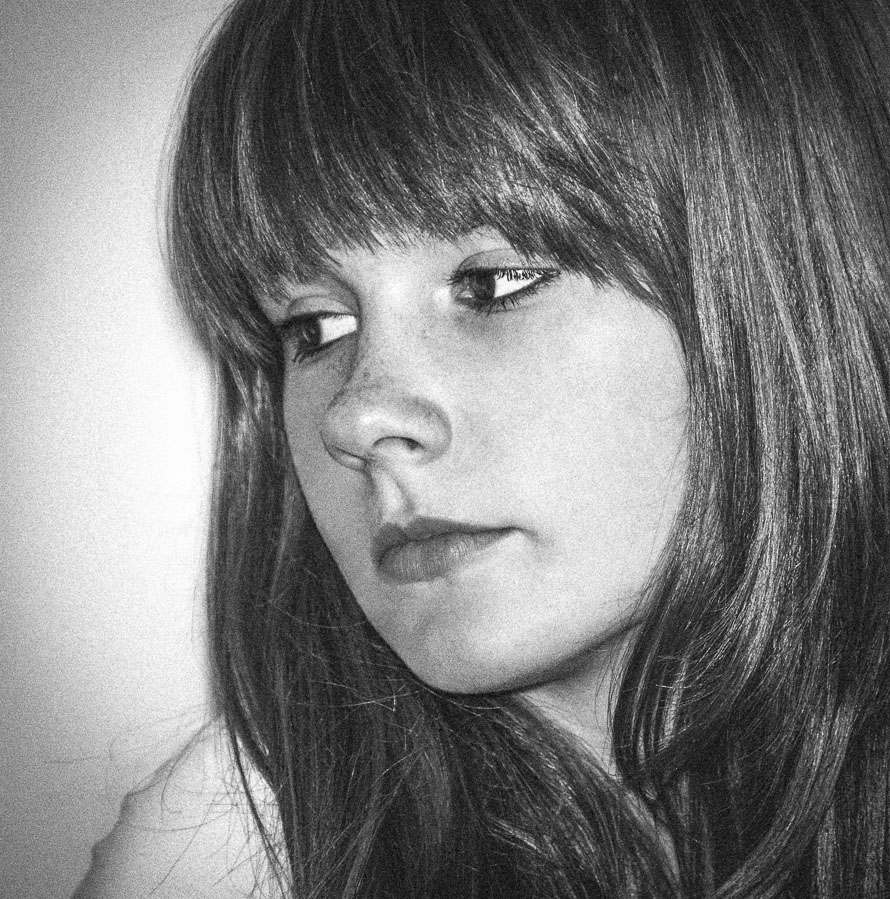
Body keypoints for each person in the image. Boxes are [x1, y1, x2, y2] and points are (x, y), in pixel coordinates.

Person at [74, 0, 890, 895]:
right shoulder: (223, 860)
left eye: (496, 283)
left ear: (784, 276)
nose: (354, 416)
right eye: (315, 326)